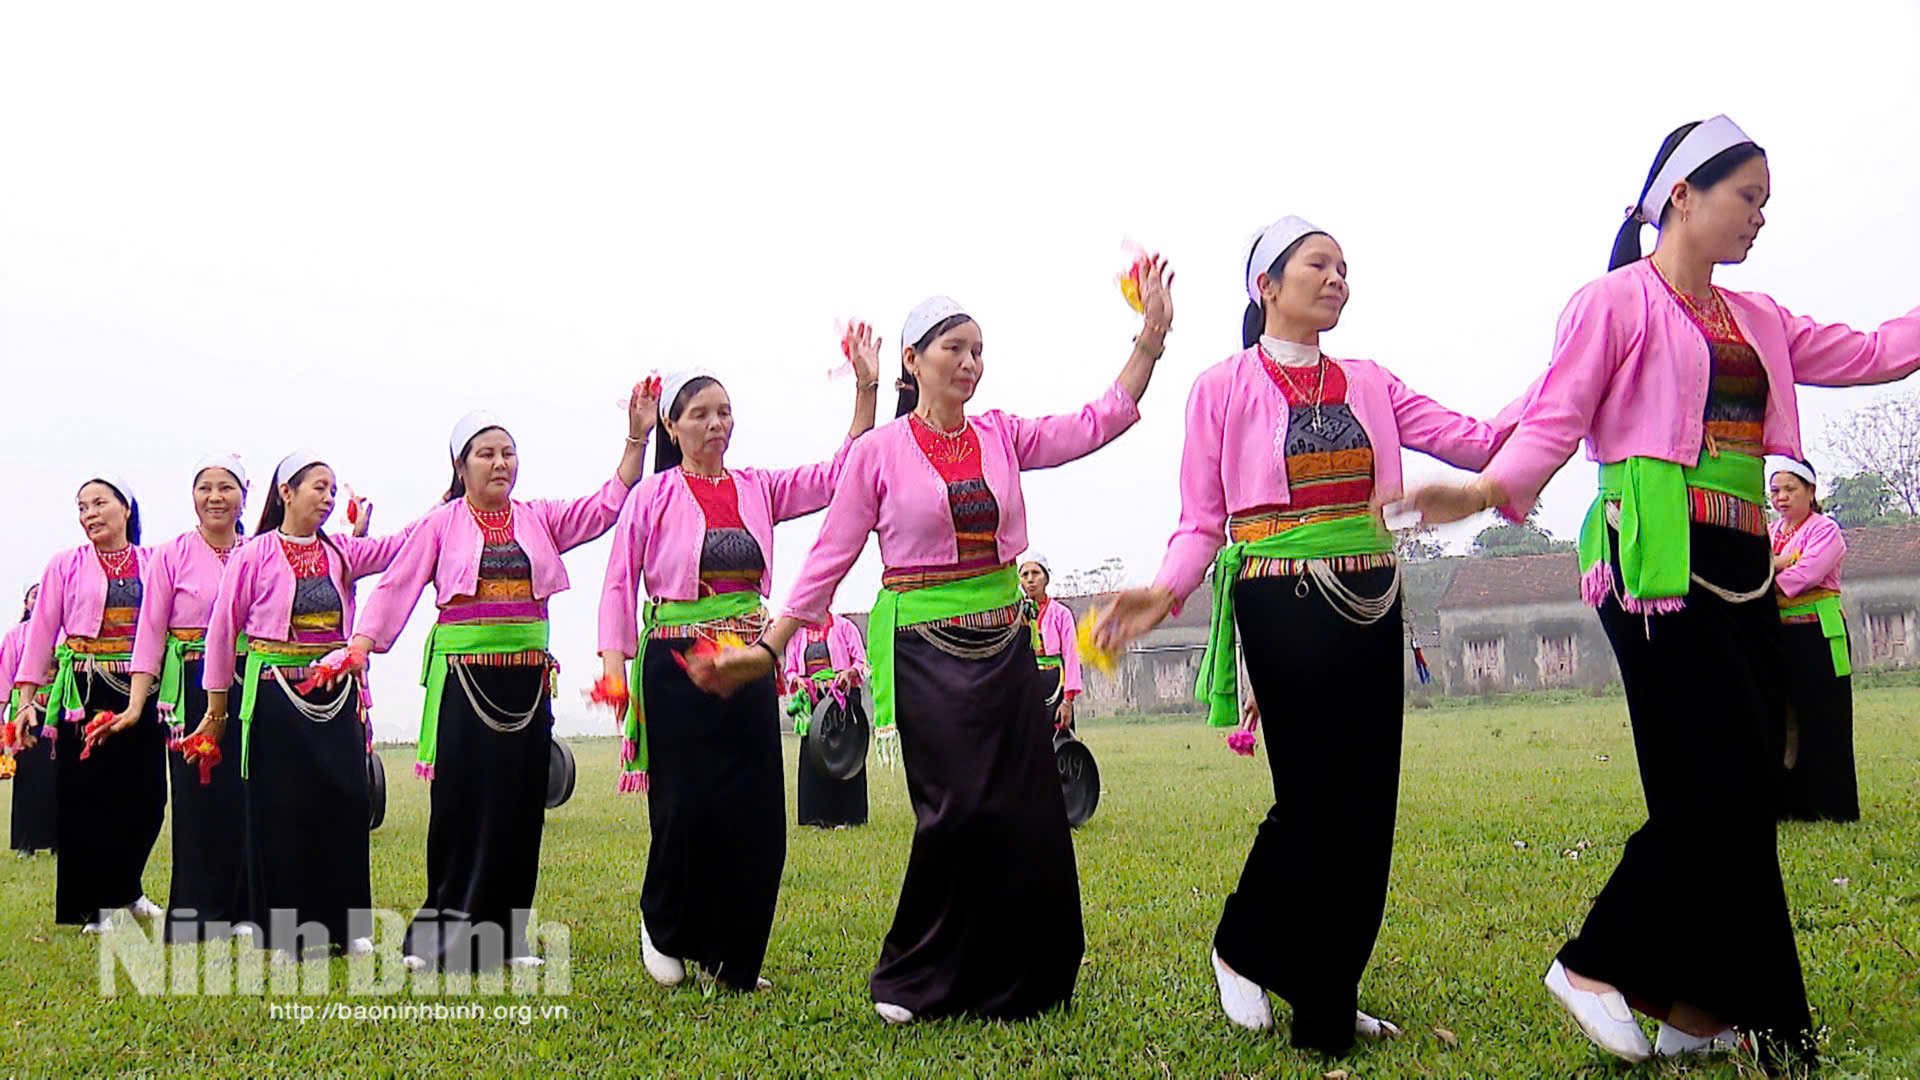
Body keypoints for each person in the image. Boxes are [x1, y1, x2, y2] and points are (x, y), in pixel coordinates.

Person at [1398, 116, 1920, 1066]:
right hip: (1652, 567)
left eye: (1767, 204)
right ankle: (1596, 963)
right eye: (1746, 198)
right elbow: (1555, 417)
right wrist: (1482, 489)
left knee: (1742, 787)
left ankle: (1703, 1009)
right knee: (1719, 783)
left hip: (1745, 563)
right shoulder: (1614, 303)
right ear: (1682, 194)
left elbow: (1878, 347)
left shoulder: (1760, 318)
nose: (1759, 218)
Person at [690, 260, 1173, 1024]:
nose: (971, 363)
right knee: (957, 812)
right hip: (926, 651)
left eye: (979, 350)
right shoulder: (879, 453)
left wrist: (1151, 335)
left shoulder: (1002, 435)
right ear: (913, 362)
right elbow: (830, 555)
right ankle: (911, 976)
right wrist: (773, 645)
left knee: (1030, 809)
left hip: (1005, 648)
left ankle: (1031, 973)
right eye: (955, 348)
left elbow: (1098, 421)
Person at [1094, 218, 1508, 1055]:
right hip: (1280, 600)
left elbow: (1479, 438)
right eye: (1318, 265)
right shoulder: (1222, 388)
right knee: (1315, 799)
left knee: (1369, 806)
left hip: (1370, 593)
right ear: (1267, 287)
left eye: (1345, 268)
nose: (1337, 279)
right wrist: (1164, 591)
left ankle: (1326, 989)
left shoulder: (1372, 382)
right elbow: (1202, 521)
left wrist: (1578, 385)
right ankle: (1245, 946)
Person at [598, 334, 880, 993]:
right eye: (699, 413)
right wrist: (615, 666)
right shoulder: (653, 496)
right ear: (672, 425)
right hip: (676, 667)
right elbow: (617, 582)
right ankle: (663, 926)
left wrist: (866, 388)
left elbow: (841, 471)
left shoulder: (760, 488)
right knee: (684, 809)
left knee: (757, 820)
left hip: (748, 664)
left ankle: (734, 960)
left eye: (724, 411)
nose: (715, 423)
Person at [349, 390, 654, 971]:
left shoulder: (538, 518)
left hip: (527, 688)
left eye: (508, 453)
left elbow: (607, 504)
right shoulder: (441, 524)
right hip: (465, 686)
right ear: (461, 466)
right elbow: (397, 586)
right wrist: (362, 647)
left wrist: (636, 437)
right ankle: (438, 939)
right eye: (486, 454)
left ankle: (505, 939)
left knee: (519, 812)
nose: (500, 464)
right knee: (459, 809)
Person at [193, 452, 413, 956]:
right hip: (274, 696)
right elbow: (223, 632)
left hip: (336, 698)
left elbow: (401, 546)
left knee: (346, 803)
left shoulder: (340, 553)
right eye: (319, 487)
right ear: (286, 493)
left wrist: (449, 501)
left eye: (333, 490)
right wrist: (216, 709)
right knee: (283, 811)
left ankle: (344, 925)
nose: (329, 498)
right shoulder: (254, 554)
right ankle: (287, 930)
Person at [8, 476, 166, 931]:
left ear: (127, 509)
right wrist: (26, 700)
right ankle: (95, 907)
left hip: (141, 689)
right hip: (85, 688)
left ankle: (128, 889)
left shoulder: (154, 562)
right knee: (87, 798)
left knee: (147, 796)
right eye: (82, 507)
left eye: (100, 503)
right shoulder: (65, 564)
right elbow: (40, 634)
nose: (90, 514)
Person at [119, 455, 252, 942]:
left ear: (245, 496)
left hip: (252, 683)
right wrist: (136, 703)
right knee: (198, 798)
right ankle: (197, 914)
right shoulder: (170, 555)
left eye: (226, 488)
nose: (215, 497)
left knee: (247, 794)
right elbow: (150, 631)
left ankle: (245, 909)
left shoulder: (258, 550)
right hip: (192, 686)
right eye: (205, 487)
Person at [1767, 457, 1859, 822]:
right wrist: (1778, 561)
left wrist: (1776, 567)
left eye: (1791, 489)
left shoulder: (1826, 531)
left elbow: (1805, 574)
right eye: (1775, 491)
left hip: (1819, 632)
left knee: (1826, 716)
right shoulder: (1772, 533)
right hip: (1780, 635)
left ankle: (1833, 806)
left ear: (1810, 491)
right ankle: (1792, 805)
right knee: (1785, 717)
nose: (1782, 498)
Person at [781, 611, 870, 828]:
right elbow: (790, 670)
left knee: (845, 754)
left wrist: (848, 673)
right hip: (813, 701)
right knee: (813, 755)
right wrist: (797, 681)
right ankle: (816, 817)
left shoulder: (845, 627)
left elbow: (861, 663)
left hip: (842, 697)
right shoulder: (797, 635)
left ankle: (850, 817)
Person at [3, 584, 58, 858]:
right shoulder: (15, 637)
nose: (39, 598)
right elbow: (3, 681)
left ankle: (60, 841)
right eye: (34, 594)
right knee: (27, 779)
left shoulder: (64, 635)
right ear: (26, 603)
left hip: (59, 715)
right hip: (26, 715)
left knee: (61, 779)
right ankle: (26, 843)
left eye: (43, 594)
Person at [1017, 555, 1081, 731]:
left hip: (1055, 685)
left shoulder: (1062, 614)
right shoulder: (1015, 616)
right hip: (1025, 686)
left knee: (1057, 743)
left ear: (1046, 578)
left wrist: (1068, 701)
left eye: (1036, 573)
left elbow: (1070, 656)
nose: (1030, 579)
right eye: (1025, 574)